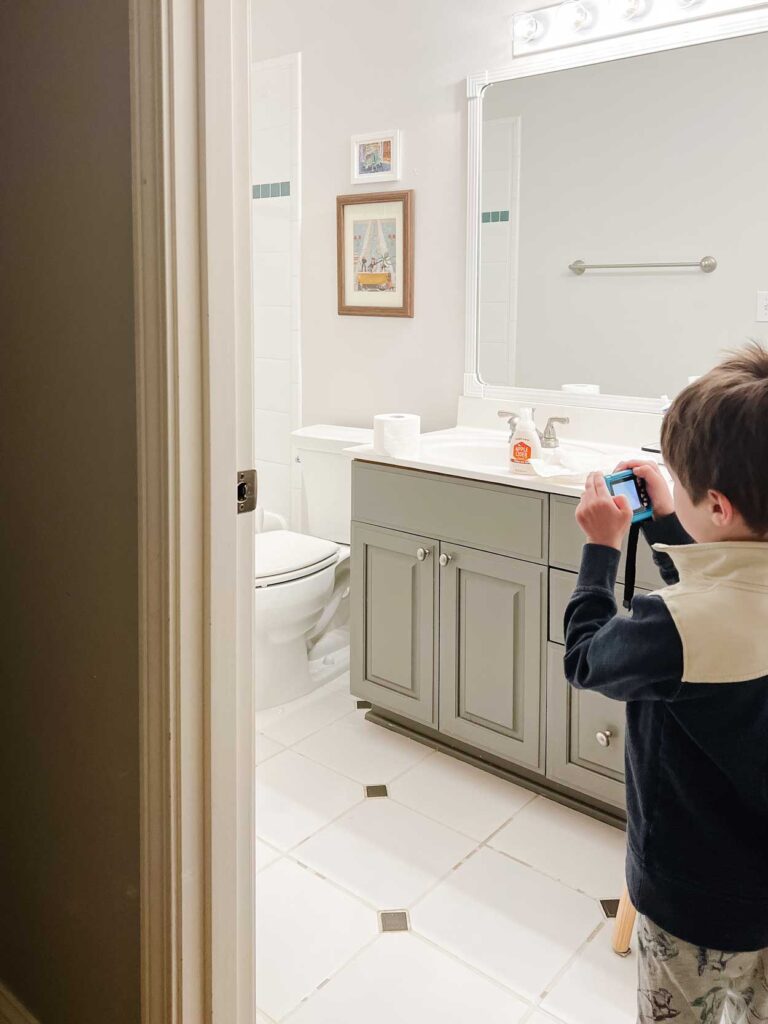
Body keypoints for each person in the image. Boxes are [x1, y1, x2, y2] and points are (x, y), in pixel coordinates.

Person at [564, 343, 768, 1024]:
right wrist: (660, 520)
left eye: (680, 481)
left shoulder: (669, 626)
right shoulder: (711, 609)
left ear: (717, 503)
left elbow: (587, 657)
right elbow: (726, 584)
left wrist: (601, 550)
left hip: (694, 898)